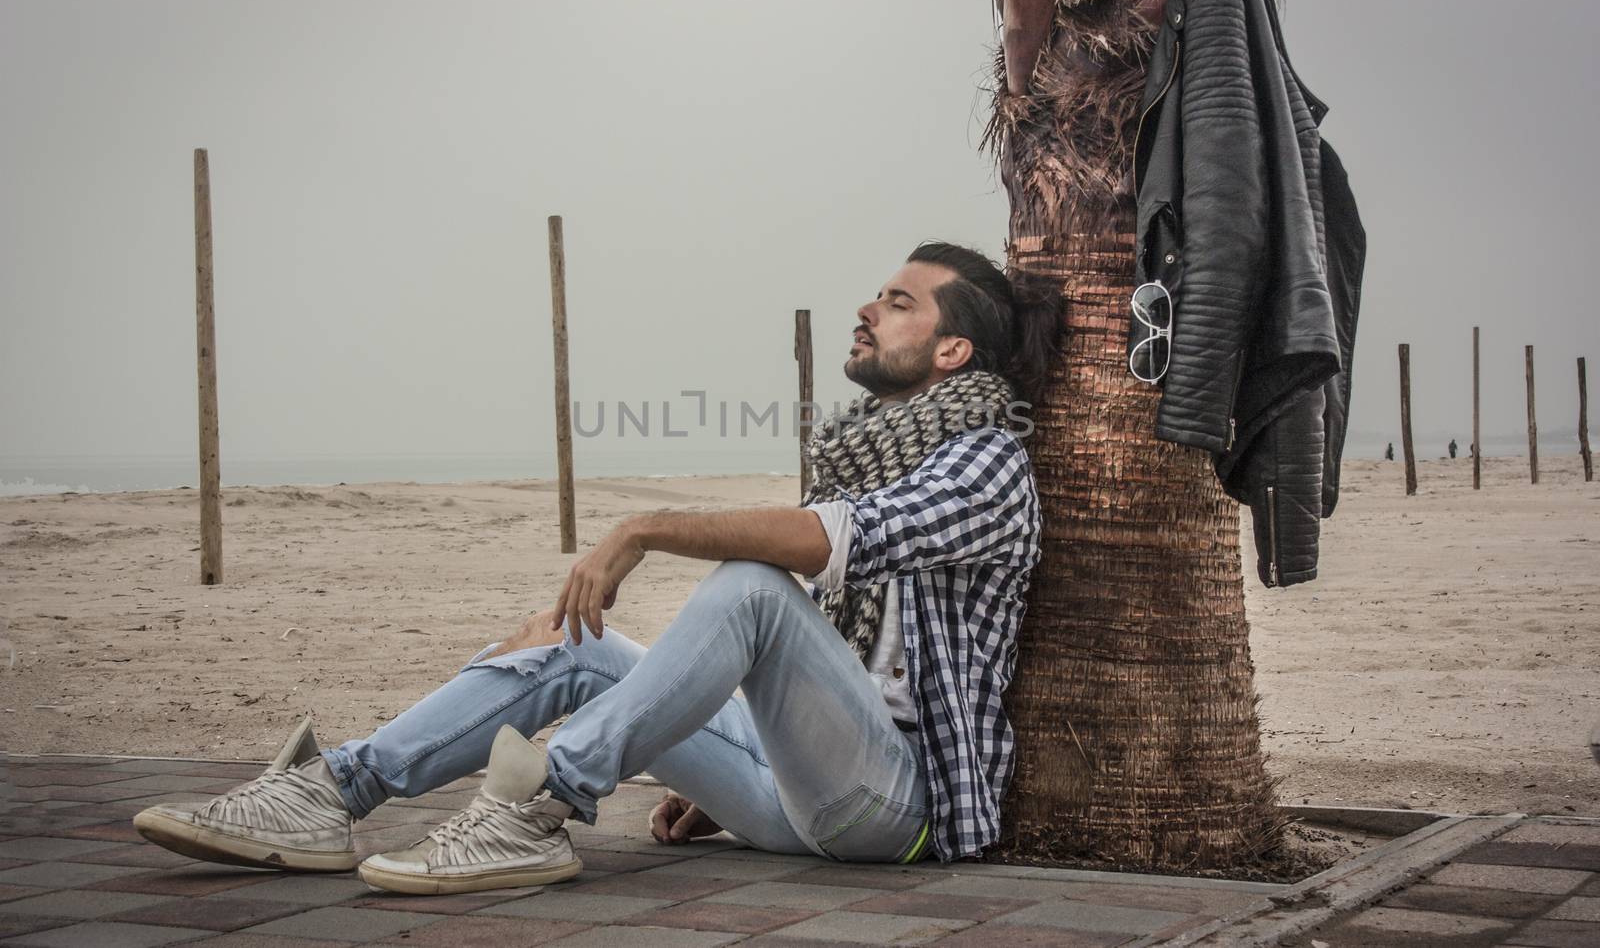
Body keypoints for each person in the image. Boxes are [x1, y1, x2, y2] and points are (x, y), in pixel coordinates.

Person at [132, 242, 1062, 894]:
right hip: (812, 789)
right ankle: (332, 791)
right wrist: (757, 761)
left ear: (953, 349)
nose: (868, 307)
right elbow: (820, 667)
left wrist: (642, 527)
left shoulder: (987, 459)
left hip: (899, 809)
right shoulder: (879, 448)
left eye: (899, 301)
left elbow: (822, 543)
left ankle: (537, 805)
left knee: (750, 585)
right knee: (576, 645)